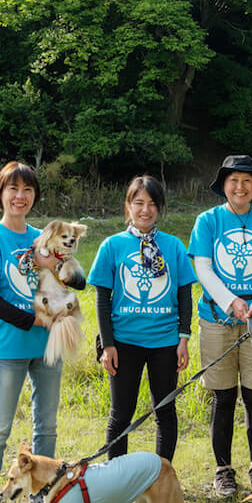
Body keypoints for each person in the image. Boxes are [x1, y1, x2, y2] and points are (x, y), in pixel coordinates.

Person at [0, 160, 86, 503]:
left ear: (34, 196)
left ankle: (42, 495)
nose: (20, 197)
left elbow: (75, 283)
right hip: (7, 347)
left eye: (27, 190)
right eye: (13, 190)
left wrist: (68, 267)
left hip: (47, 346)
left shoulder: (46, 236)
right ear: (0, 194)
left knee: (46, 425)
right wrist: (34, 319)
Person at [188, 155, 252, 497]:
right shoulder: (207, 221)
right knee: (223, 396)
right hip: (217, 318)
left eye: (247, 181)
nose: (240, 187)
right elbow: (204, 267)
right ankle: (223, 469)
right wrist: (231, 302)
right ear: (224, 186)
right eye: (233, 180)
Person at [89, 176, 196, 461]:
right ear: (128, 207)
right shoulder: (112, 246)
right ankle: (117, 477)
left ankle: (163, 475)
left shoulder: (173, 246)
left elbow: (185, 297)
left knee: (165, 411)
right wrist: (107, 344)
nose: (145, 210)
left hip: (165, 343)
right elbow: (102, 299)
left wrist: (183, 338)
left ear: (159, 208)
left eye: (151, 204)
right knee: (120, 414)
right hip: (124, 343)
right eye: (138, 203)